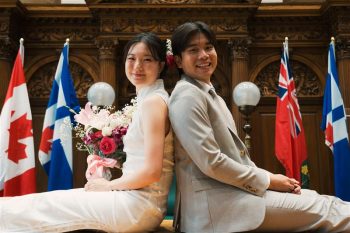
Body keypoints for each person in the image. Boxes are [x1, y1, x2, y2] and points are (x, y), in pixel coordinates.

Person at [168, 21, 350, 233]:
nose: (204, 55)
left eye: (208, 47)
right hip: (216, 208)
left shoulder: (206, 93)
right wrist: (269, 180)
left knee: (321, 201)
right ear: (179, 61)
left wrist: (269, 179)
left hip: (232, 197)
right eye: (193, 50)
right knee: (330, 211)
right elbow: (211, 162)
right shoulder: (187, 96)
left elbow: (237, 158)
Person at [0, 32, 174, 233]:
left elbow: (152, 172)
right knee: (49, 202)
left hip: (137, 206)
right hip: (135, 201)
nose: (137, 66)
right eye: (131, 58)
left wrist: (108, 186)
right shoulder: (149, 98)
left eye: (147, 60)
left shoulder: (153, 102)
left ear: (161, 65)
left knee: (47, 206)